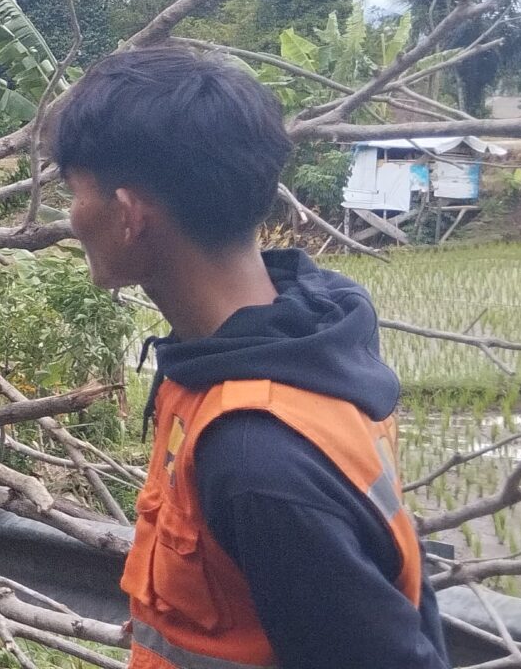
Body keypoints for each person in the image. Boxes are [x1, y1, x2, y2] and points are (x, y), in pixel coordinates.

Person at [46, 47, 444, 669]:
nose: (69, 219)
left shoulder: (257, 455)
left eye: (72, 193)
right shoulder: (277, 351)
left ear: (128, 215)